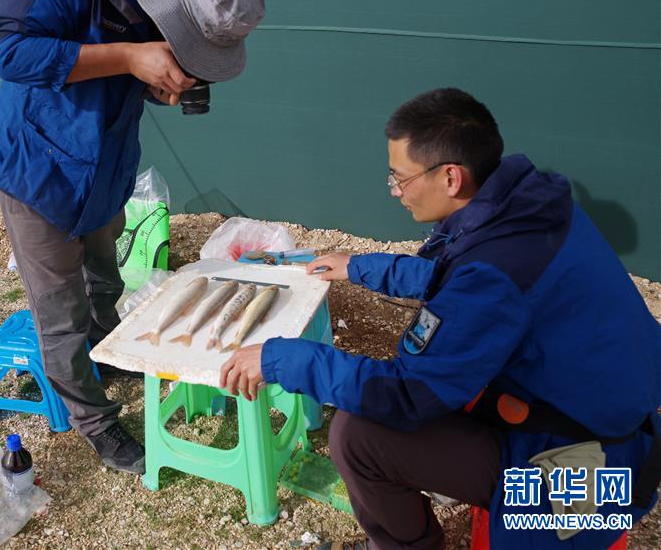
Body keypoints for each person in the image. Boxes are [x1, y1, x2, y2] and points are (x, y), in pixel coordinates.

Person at [220, 88, 661, 548]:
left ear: (451, 177)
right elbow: (467, 279)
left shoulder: (495, 272)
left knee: (356, 436)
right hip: (611, 424)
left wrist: (282, 360)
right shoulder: (534, 210)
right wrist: (360, 266)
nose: (394, 192)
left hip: (583, 467)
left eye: (399, 178)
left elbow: (407, 395)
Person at [0, 0, 265, 474]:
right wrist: (130, 59)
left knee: (104, 279)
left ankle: (103, 354)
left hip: (105, 167)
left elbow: (130, 68)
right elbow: (12, 53)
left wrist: (153, 84)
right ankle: (96, 423)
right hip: (40, 168)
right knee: (60, 310)